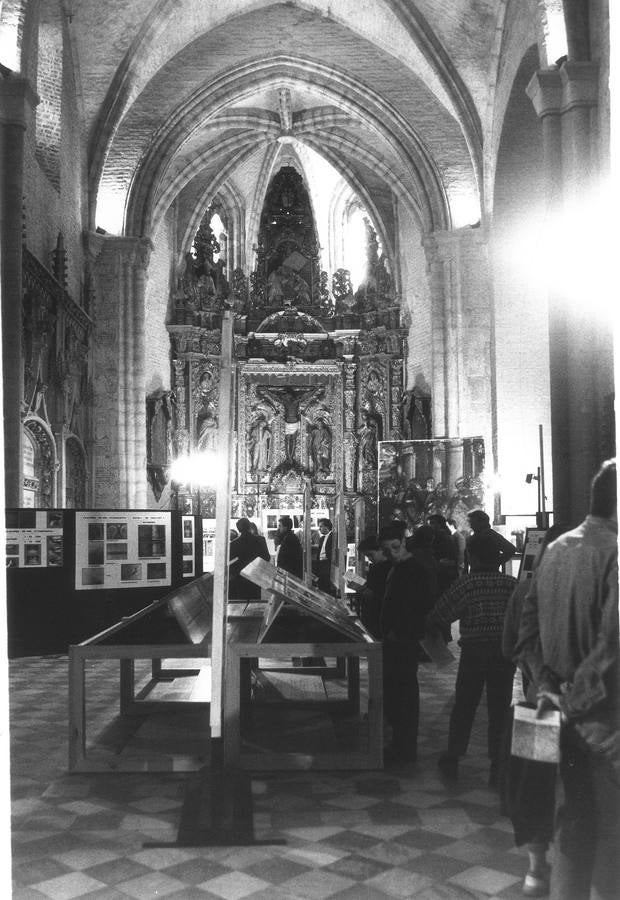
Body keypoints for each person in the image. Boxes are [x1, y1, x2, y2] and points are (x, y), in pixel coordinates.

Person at [515, 459, 619, 900]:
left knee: (572, 821)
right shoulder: (614, 554)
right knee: (608, 835)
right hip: (601, 721)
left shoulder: (554, 549)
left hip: (550, 712)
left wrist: (547, 690)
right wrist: (573, 701)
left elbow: (526, 632)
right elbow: (610, 647)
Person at [500, 523, 569, 899]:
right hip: (580, 706)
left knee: (533, 784)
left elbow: (509, 646)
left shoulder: (526, 589)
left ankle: (537, 868)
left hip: (534, 704)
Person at [426, 532, 517, 786]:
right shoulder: (511, 584)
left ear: (472, 556)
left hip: (474, 653)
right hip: (503, 653)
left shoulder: (466, 584)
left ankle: (453, 757)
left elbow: (440, 614)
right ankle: (497, 765)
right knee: (500, 709)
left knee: (465, 705)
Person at [379, 521, 434, 763]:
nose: (392, 553)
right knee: (396, 694)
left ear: (403, 542)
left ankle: (404, 746)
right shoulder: (399, 568)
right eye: (387, 549)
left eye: (395, 547)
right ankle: (400, 742)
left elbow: (417, 606)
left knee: (404, 694)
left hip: (404, 641)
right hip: (396, 640)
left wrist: (399, 631)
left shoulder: (414, 570)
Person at [353, 535, 391, 639]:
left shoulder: (385, 568)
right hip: (373, 616)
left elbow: (376, 594)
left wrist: (359, 588)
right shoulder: (377, 566)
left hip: (377, 617)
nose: (369, 559)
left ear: (381, 550)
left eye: (370, 555)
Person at [228, 518, 270, 600]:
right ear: (249, 526)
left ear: (238, 529)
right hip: (255, 576)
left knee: (242, 601)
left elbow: (230, 563)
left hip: (240, 578)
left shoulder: (233, 544)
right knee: (255, 600)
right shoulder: (260, 540)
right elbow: (267, 558)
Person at [314, 518, 334, 594]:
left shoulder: (333, 536)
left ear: (327, 526)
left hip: (327, 564)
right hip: (321, 564)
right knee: (321, 586)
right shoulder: (322, 538)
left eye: (321, 526)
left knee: (326, 586)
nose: (319, 529)